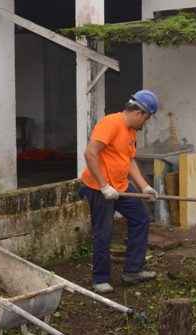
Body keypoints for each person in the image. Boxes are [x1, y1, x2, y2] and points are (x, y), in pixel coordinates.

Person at [79, 90, 160, 294]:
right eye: (147, 119)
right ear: (140, 113)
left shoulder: (131, 131)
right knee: (103, 232)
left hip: (121, 186)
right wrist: (104, 185)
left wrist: (144, 186)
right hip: (99, 188)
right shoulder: (111, 123)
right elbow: (90, 153)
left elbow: (128, 160)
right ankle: (100, 279)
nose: (145, 123)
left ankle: (133, 270)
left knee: (141, 218)